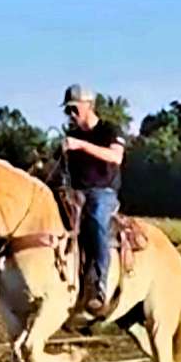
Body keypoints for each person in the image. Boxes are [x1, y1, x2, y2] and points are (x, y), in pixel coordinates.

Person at [57, 84, 126, 314]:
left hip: (103, 192)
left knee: (96, 218)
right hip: (76, 192)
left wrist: (82, 146)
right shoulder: (71, 136)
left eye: (74, 109)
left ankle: (99, 284)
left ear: (88, 105)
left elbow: (115, 157)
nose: (71, 115)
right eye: (68, 111)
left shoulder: (109, 130)